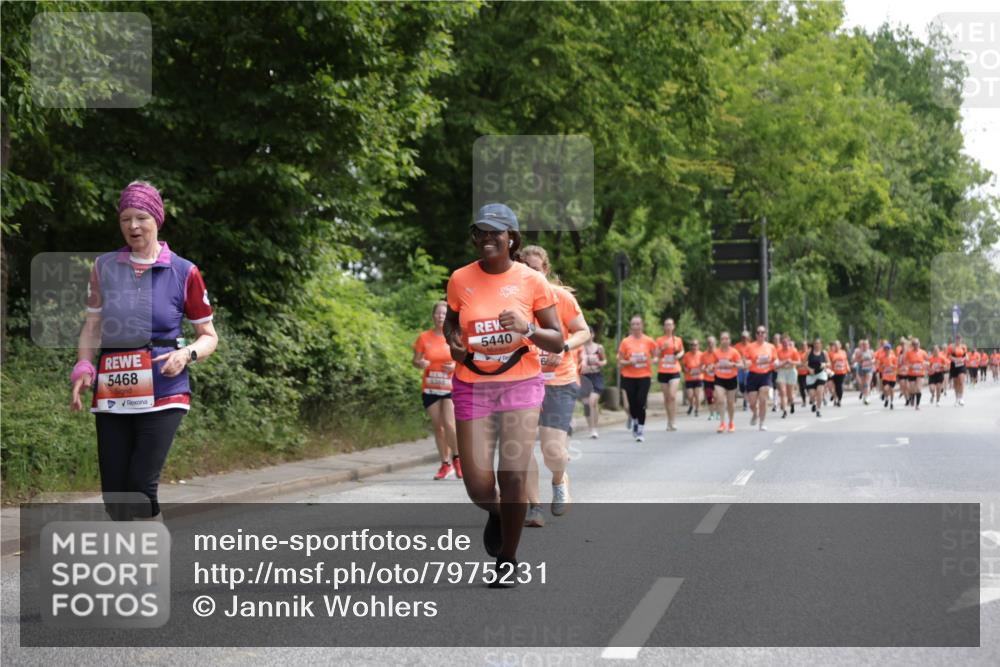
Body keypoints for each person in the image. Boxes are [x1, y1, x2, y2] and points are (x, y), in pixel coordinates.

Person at [70, 181, 218, 521]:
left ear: (157, 219)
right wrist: (83, 367)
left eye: (141, 217)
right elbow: (92, 327)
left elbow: (208, 335)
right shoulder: (104, 268)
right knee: (116, 495)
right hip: (115, 387)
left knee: (139, 486)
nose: (133, 226)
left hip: (165, 386)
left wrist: (187, 354)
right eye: (125, 219)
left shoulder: (184, 271)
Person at [443, 203, 563, 586]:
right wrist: (455, 344)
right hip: (472, 384)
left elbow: (557, 339)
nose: (487, 239)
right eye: (481, 232)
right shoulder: (460, 279)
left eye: (496, 232)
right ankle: (498, 513)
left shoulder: (532, 281)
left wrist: (527, 327)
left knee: (512, 475)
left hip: (520, 384)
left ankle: (508, 559)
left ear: (512, 239)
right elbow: (451, 326)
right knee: (479, 487)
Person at [518, 245, 589, 528]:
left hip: (559, 381)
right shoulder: (514, 301)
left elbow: (584, 331)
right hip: (522, 380)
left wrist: (563, 346)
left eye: (534, 269)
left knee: (552, 451)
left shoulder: (560, 297)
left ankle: (559, 479)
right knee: (521, 448)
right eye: (524, 269)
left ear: (544, 270)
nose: (529, 274)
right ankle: (534, 506)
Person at [413, 301, 460, 480]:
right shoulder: (424, 337)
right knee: (438, 427)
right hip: (430, 387)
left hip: (449, 387)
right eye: (438, 313)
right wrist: (420, 363)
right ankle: (445, 464)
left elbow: (464, 360)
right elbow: (415, 361)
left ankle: (457, 459)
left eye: (444, 314)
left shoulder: (454, 336)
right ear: (433, 316)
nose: (441, 316)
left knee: (449, 424)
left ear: (448, 317)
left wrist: (455, 365)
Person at [618, 316, 657, 442]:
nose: (636, 326)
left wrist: (654, 359)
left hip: (644, 376)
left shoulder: (649, 341)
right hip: (628, 376)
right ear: (631, 326)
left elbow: (656, 354)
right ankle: (634, 419)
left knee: (641, 402)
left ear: (642, 326)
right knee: (632, 404)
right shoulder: (625, 342)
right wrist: (629, 362)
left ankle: (640, 429)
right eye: (633, 324)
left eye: (638, 324)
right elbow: (619, 361)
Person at [743, 325, 776, 431]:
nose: (760, 334)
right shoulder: (750, 347)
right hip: (753, 375)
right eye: (758, 332)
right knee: (752, 403)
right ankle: (755, 413)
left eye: (763, 332)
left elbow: (775, 360)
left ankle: (762, 423)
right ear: (756, 335)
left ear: (766, 334)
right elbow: (745, 360)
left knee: (763, 399)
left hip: (766, 375)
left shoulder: (771, 347)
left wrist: (776, 364)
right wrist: (747, 363)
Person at [654, 318, 684, 431]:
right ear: (664, 327)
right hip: (663, 370)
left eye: (670, 325)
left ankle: (674, 421)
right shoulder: (659, 340)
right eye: (666, 325)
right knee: (667, 398)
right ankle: (669, 420)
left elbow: (682, 351)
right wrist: (662, 348)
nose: (668, 327)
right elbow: (655, 354)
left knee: (672, 396)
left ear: (673, 326)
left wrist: (679, 355)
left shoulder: (678, 340)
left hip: (674, 370)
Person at [578, 326, 607, 438]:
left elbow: (604, 360)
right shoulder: (580, 348)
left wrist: (601, 363)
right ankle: (590, 427)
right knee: (586, 404)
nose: (588, 336)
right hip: (584, 378)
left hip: (596, 377)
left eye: (590, 333)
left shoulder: (599, 347)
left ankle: (595, 428)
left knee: (593, 402)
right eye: (586, 333)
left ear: (593, 335)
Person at [712, 332, 742, 433]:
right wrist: (712, 366)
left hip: (731, 378)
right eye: (722, 339)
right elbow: (711, 364)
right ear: (720, 341)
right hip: (719, 378)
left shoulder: (734, 352)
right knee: (720, 399)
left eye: (726, 339)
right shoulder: (716, 352)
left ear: (729, 340)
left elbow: (741, 365)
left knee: (730, 402)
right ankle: (722, 423)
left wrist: (732, 364)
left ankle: (731, 422)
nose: (724, 341)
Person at [775, 334, 799, 418]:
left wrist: (791, 362)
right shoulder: (778, 351)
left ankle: (791, 402)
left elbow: (799, 362)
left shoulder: (794, 351)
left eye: (786, 342)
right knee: (782, 392)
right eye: (783, 342)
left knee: (789, 393)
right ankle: (784, 411)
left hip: (791, 372)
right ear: (781, 343)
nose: (785, 344)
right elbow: (776, 364)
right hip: (782, 372)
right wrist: (782, 363)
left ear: (789, 342)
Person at [805, 337, 830, 418]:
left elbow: (829, 363)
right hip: (811, 375)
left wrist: (825, 364)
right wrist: (809, 369)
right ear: (814, 344)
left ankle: (818, 410)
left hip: (821, 374)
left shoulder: (824, 353)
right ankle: (814, 403)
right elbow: (803, 362)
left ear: (821, 344)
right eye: (815, 343)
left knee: (819, 391)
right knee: (812, 395)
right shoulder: (809, 352)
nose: (817, 345)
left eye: (819, 343)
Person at [681, 338, 704, 418]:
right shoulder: (686, 355)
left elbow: (704, 365)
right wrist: (685, 369)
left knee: (697, 395)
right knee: (690, 396)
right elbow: (683, 366)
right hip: (689, 378)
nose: (694, 347)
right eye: (692, 345)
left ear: (698, 346)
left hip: (698, 378)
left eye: (695, 345)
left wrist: (701, 369)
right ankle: (691, 405)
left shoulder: (701, 355)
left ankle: (697, 410)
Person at [903, 338, 928, 410]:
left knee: (918, 389)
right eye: (914, 344)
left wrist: (925, 363)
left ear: (919, 344)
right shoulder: (909, 352)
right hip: (911, 373)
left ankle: (917, 405)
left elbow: (928, 361)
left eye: (917, 344)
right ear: (912, 345)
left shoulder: (923, 352)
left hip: (920, 373)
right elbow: (905, 362)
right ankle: (912, 395)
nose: (916, 345)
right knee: (912, 389)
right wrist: (910, 365)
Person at [946, 334, 969, 406]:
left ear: (961, 339)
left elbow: (966, 355)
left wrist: (964, 359)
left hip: (962, 365)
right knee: (956, 383)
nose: (958, 340)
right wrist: (955, 359)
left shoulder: (963, 346)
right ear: (955, 339)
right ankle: (956, 398)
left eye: (959, 339)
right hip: (954, 366)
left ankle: (961, 398)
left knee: (961, 381)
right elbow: (948, 356)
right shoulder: (951, 347)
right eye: (957, 339)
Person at [828, 340, 849, 407]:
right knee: (830, 385)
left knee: (838, 386)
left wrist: (847, 367)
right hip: (832, 372)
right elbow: (828, 362)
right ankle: (834, 396)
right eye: (835, 345)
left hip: (841, 372)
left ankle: (838, 400)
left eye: (837, 345)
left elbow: (845, 360)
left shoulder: (843, 352)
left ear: (840, 346)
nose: (836, 346)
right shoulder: (830, 353)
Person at [702, 336, 718, 421]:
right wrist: (704, 368)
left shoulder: (719, 353)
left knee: (716, 396)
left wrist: (713, 366)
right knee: (709, 397)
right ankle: (712, 414)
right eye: (708, 342)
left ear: (715, 343)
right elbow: (701, 365)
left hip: (717, 378)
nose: (710, 344)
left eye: (712, 342)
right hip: (707, 378)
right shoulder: (704, 354)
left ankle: (718, 413)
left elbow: (722, 363)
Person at [878, 341, 898, 409]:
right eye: (885, 349)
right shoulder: (882, 357)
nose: (886, 350)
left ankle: (892, 402)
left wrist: (892, 366)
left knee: (892, 390)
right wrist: (882, 366)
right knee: (886, 388)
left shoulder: (893, 357)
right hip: (885, 375)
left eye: (888, 349)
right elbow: (879, 366)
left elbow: (896, 366)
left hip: (892, 376)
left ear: (890, 349)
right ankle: (887, 399)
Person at [735, 330, 751, 411]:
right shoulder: (737, 346)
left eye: (745, 337)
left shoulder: (751, 346)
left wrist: (747, 363)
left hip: (748, 368)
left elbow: (753, 357)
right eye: (742, 337)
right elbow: (734, 357)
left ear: (748, 338)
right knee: (741, 386)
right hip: (740, 369)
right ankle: (745, 399)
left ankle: (745, 402)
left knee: (746, 385)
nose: (744, 339)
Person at [797, 341, 810, 407]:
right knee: (801, 388)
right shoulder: (798, 353)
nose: (803, 347)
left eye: (804, 345)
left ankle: (811, 398)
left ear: (807, 346)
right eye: (802, 345)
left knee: (808, 387)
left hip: (808, 373)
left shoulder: (809, 353)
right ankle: (804, 401)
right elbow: (797, 361)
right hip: (800, 373)